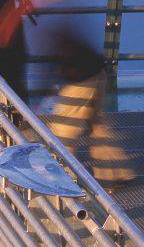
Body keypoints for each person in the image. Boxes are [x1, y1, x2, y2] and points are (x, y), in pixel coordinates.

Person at [44, 26, 136, 186]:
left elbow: (59, 65)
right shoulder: (65, 32)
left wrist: (47, 87)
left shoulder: (51, 34)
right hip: (97, 73)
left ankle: (64, 180)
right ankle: (113, 174)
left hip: (81, 80)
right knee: (97, 126)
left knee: (62, 132)